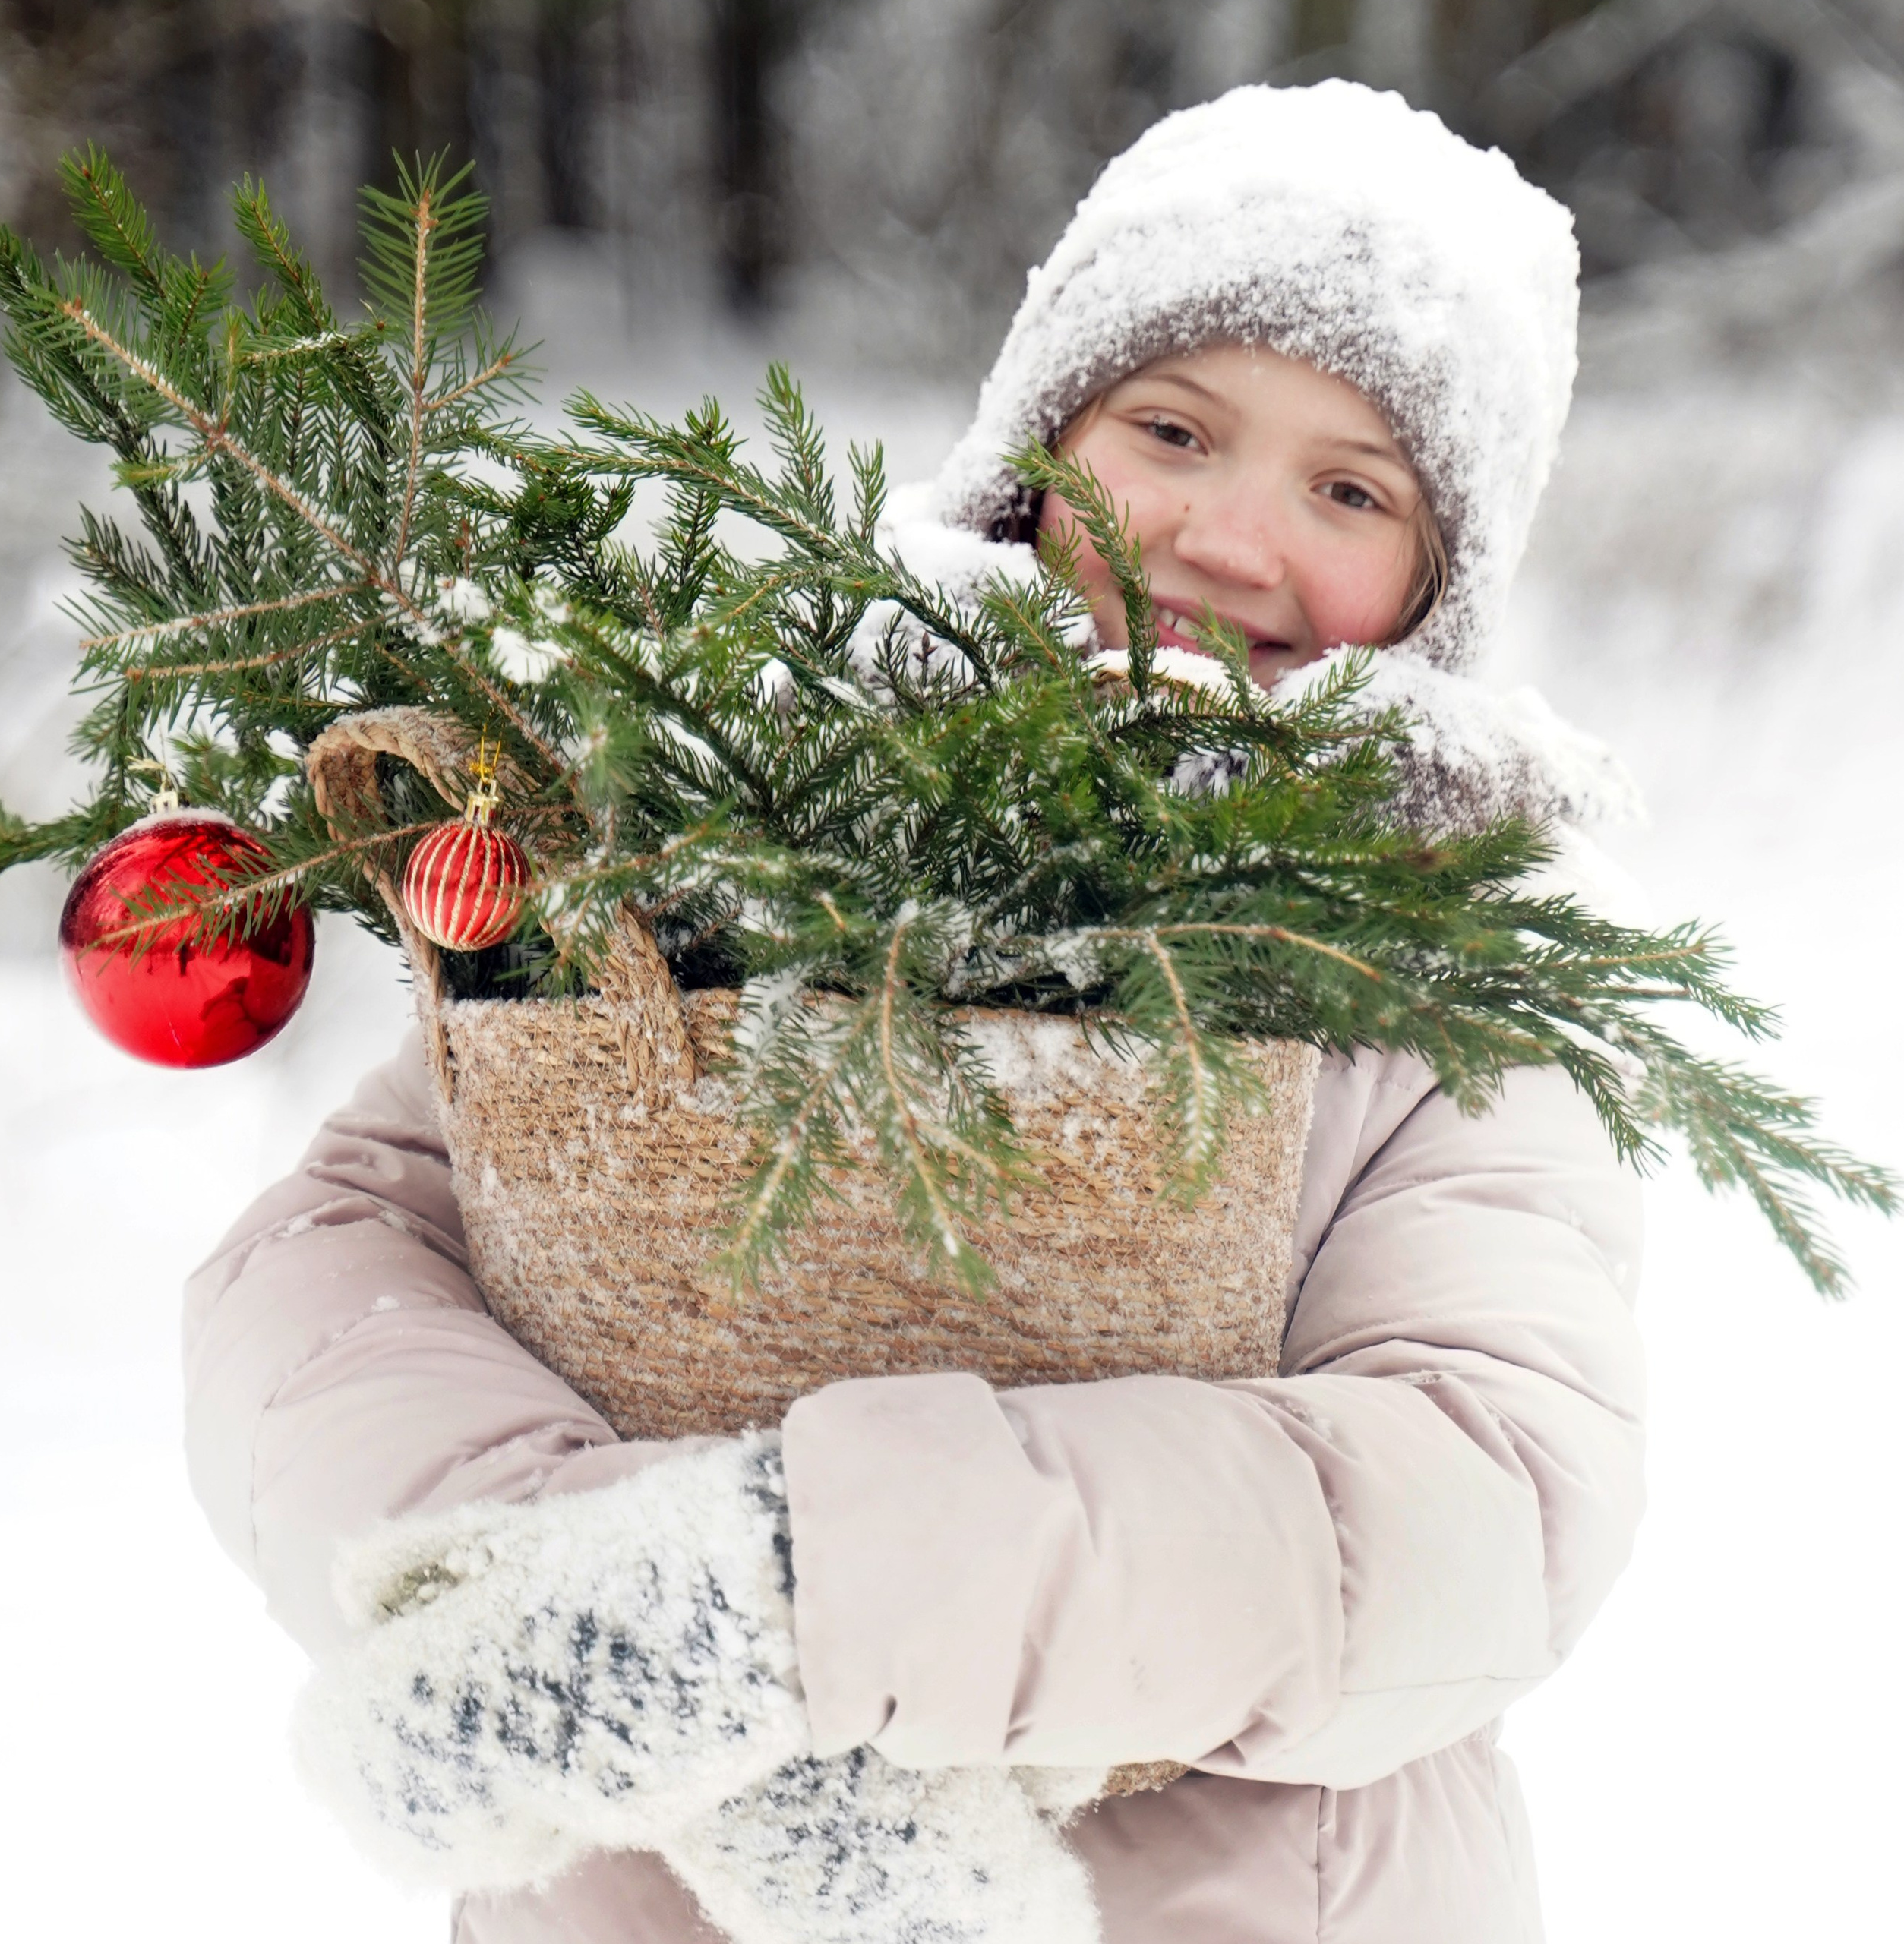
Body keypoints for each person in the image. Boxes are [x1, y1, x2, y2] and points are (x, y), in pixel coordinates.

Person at [185, 82, 1646, 1944]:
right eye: (1171, 426)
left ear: (1440, 584)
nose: (1222, 535)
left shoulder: (1438, 976)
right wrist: (577, 1577)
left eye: (1349, 488)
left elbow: (1475, 1502)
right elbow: (334, 1264)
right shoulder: (740, 830)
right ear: (1038, 448)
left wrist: (796, 1597)